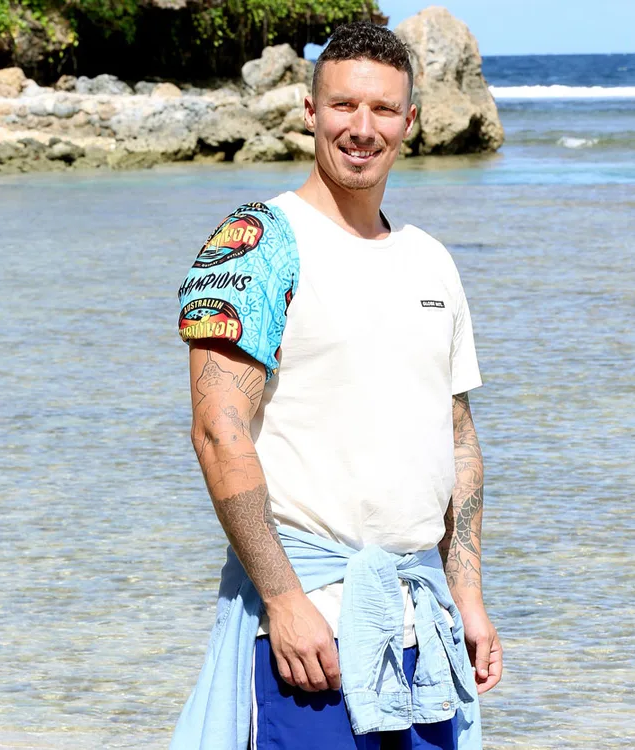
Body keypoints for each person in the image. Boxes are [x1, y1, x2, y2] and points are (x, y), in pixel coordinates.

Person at [170, 21, 502, 750]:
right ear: (310, 111)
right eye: (344, 105)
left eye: (383, 109)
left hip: (424, 628)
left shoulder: (430, 260)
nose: (362, 127)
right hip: (309, 633)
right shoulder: (256, 244)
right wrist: (283, 600)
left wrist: (468, 597)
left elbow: (457, 441)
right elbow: (218, 431)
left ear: (410, 121)